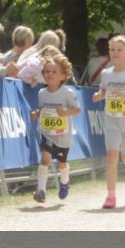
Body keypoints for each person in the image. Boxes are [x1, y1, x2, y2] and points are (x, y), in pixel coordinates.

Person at [92, 35, 125, 209]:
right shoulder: (106, 74)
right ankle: (111, 196)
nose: (114, 53)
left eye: (119, 50)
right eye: (112, 49)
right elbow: (101, 92)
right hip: (111, 120)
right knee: (111, 156)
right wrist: (98, 96)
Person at [29, 53, 81, 205]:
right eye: (46, 71)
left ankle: (64, 182)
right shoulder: (42, 93)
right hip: (47, 133)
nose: (49, 74)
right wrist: (36, 113)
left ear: (63, 76)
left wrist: (65, 113)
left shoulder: (67, 93)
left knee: (61, 164)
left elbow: (77, 109)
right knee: (44, 159)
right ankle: (41, 190)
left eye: (54, 72)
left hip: (62, 136)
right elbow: (42, 109)